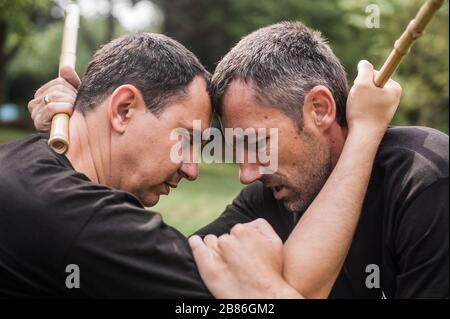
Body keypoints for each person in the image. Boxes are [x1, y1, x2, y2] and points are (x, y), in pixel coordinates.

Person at [18, 27, 401, 298]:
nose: (192, 169)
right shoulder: (87, 224)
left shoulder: (26, 171)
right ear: (122, 109)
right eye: (185, 139)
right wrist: (364, 131)